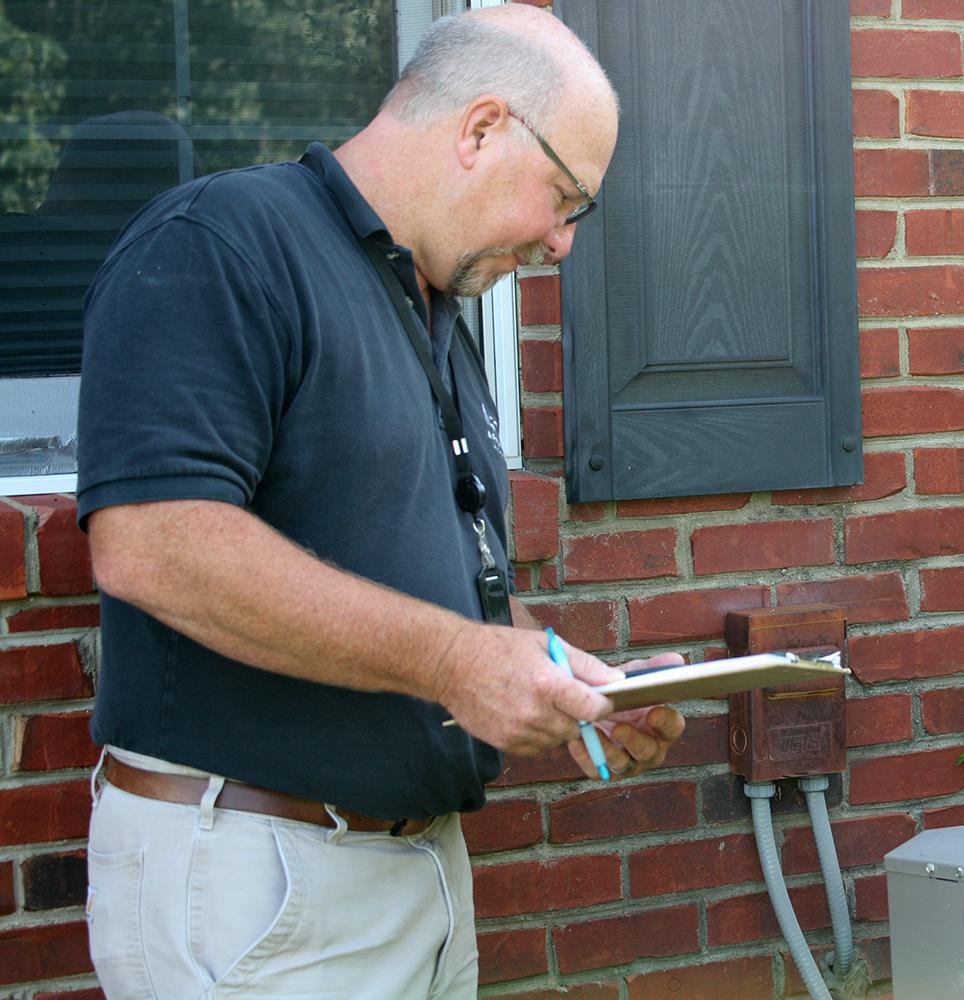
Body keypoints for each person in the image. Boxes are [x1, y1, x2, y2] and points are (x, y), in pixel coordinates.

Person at [75, 7, 685, 997]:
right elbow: (152, 546)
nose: (563, 242)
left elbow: (440, 579)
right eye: (566, 197)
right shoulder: (220, 244)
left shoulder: (431, 303)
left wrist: (570, 687)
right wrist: (456, 662)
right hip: (257, 877)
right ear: (482, 128)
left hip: (414, 875)